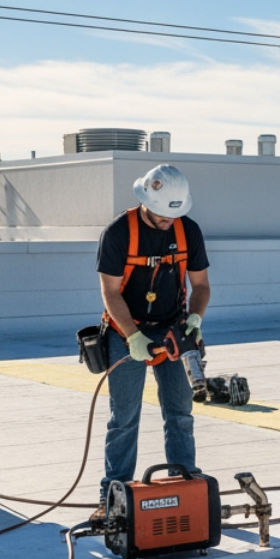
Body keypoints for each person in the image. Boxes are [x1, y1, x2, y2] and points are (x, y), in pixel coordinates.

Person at [94, 164, 211, 519]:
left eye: (173, 214)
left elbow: (201, 284)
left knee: (180, 413)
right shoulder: (118, 232)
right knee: (124, 418)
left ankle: (185, 485)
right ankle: (112, 498)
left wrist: (195, 317)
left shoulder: (188, 230)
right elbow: (110, 292)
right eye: (161, 214)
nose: (166, 221)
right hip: (125, 329)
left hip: (173, 328)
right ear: (146, 201)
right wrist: (133, 336)